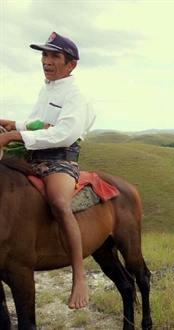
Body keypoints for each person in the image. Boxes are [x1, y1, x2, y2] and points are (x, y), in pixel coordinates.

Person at [0, 32, 95, 309]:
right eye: (44, 55)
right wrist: (12, 124)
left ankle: (79, 277)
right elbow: (38, 123)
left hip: (60, 160)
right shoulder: (47, 89)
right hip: (33, 155)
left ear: (71, 64)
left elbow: (64, 134)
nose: (46, 61)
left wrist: (13, 137)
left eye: (54, 56)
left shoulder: (76, 97)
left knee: (59, 202)